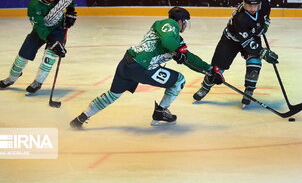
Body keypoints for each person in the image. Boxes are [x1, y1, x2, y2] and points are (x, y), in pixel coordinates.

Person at [70, 7, 223, 129]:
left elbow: (189, 58)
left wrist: (209, 70)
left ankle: (81, 118)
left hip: (127, 63)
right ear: (181, 21)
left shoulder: (172, 34)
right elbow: (169, 43)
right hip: (143, 68)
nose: (184, 26)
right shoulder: (169, 25)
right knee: (179, 80)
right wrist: (178, 51)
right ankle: (160, 111)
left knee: (112, 95)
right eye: (185, 23)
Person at [193, 0, 278, 108]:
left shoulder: (264, 4)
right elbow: (247, 43)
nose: (253, 9)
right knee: (217, 69)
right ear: (243, 4)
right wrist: (263, 52)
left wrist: (265, 25)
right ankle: (205, 87)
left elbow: (265, 16)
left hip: (251, 36)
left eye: (255, 5)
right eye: (249, 6)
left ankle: (249, 90)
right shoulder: (240, 18)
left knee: (255, 61)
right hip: (231, 40)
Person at [0, 0, 77, 95]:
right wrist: (51, 40)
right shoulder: (34, 6)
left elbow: (69, 1)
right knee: (22, 56)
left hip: (58, 30)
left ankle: (37, 82)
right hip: (40, 31)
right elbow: (39, 27)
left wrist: (70, 12)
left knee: (49, 58)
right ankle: (11, 78)